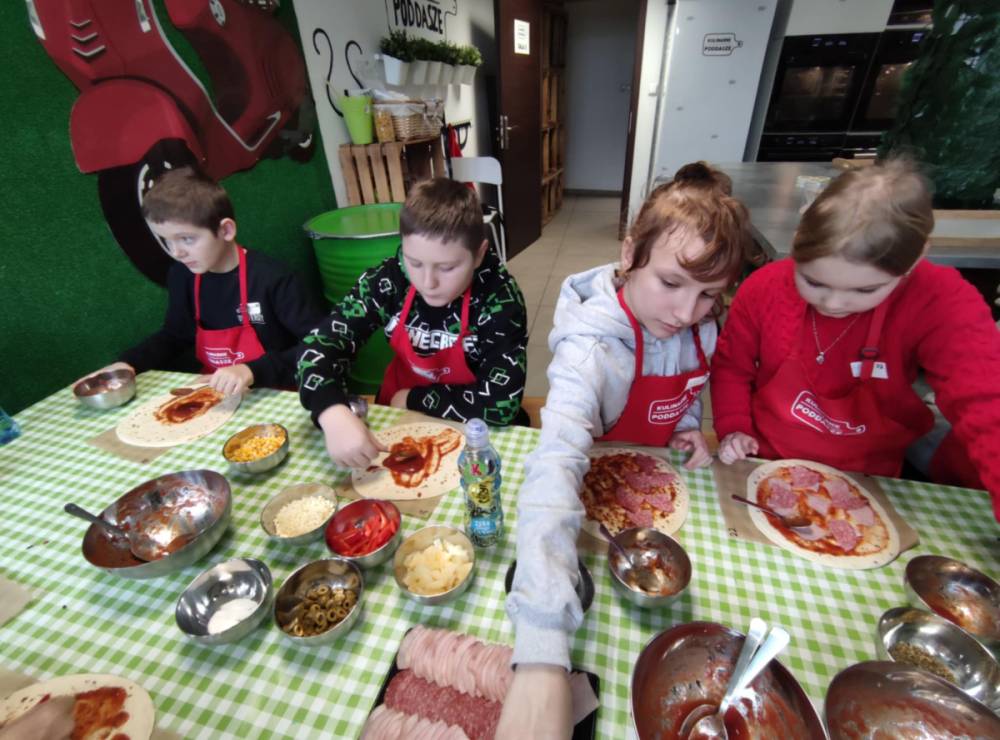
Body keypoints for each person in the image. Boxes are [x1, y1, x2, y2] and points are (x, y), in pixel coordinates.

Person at [497, 163, 755, 738]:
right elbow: (555, 464)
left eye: (708, 295)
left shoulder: (700, 324)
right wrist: (541, 652)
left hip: (655, 488)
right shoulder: (590, 349)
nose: (686, 313)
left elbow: (687, 380)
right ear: (630, 252)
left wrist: (686, 423)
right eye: (670, 283)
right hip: (591, 505)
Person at [711, 158, 1000, 521]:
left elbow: (987, 405)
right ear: (797, 241)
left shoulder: (940, 300)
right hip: (766, 461)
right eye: (813, 281)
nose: (833, 304)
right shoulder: (764, 288)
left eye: (865, 290)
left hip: (871, 480)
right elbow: (732, 367)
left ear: (914, 259)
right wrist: (735, 426)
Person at [297, 178, 528, 468]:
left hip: (468, 422)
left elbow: (501, 404)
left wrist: (414, 399)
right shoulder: (388, 281)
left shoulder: (500, 298)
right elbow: (318, 346)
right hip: (397, 412)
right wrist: (331, 411)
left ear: (479, 254)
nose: (427, 282)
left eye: (447, 267)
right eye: (414, 262)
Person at [81, 167, 323, 393]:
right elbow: (176, 335)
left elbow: (320, 345)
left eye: (187, 239)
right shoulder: (182, 275)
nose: (176, 252)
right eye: (166, 241)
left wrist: (251, 370)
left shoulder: (274, 278)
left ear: (226, 230)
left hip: (277, 392)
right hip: (216, 393)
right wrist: (129, 363)